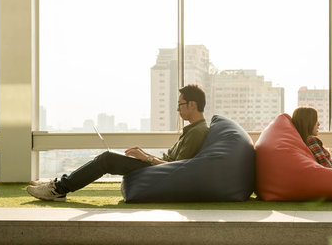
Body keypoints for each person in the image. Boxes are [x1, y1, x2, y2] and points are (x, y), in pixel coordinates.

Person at [27, 84, 209, 201]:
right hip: (157, 169)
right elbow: (172, 162)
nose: (177, 109)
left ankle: (59, 188)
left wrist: (146, 158)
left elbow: (178, 169)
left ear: (192, 105)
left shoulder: (197, 132)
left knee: (108, 159)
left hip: (162, 174)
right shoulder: (193, 129)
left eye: (180, 104)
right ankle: (60, 184)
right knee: (111, 156)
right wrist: (145, 155)